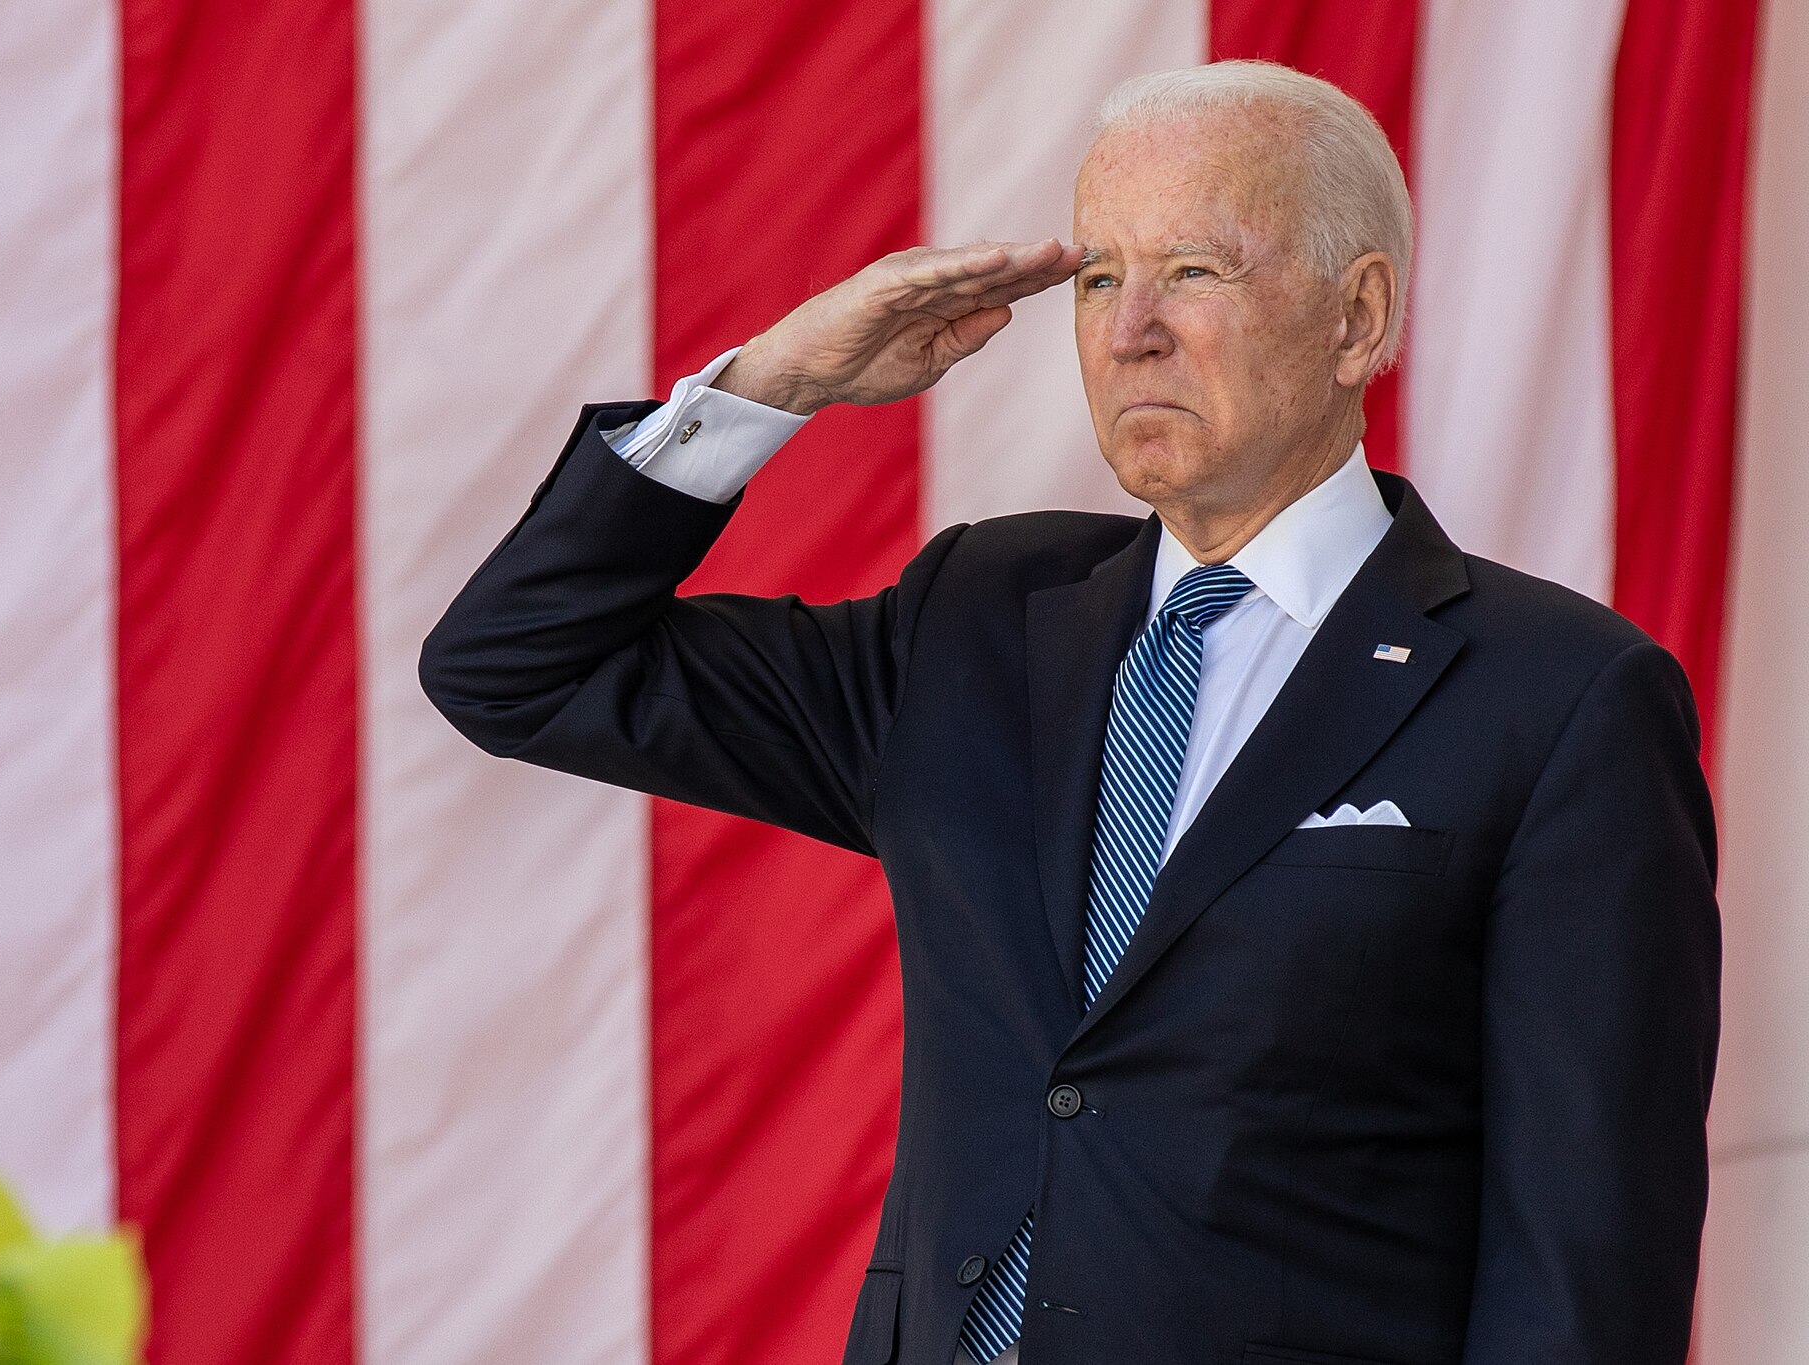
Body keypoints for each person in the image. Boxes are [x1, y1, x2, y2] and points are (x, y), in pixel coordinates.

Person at [421, 59, 1720, 1365]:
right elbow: (516, 665)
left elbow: (1585, 1268)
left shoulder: (1561, 699)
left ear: (1356, 316)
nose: (1128, 328)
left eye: (1194, 272)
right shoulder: (976, 617)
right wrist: (775, 384)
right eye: (1099, 276)